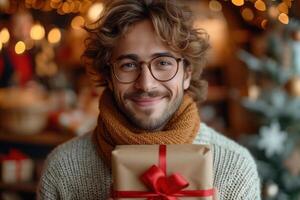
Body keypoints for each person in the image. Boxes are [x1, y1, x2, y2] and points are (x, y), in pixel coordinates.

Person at [37, 0, 261, 199]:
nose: (146, 84)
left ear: (187, 74)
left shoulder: (234, 169)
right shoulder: (62, 169)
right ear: (109, 76)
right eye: (128, 65)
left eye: (163, 63)